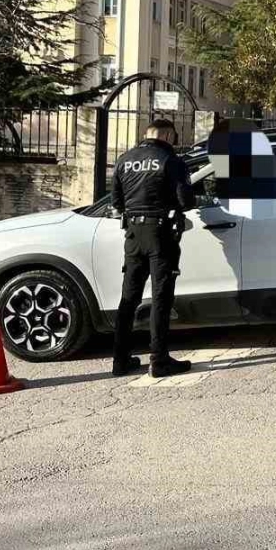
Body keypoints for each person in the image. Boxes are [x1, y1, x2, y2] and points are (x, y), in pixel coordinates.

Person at [110, 118, 196, 378]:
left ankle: (120, 360)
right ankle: (159, 361)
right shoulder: (171, 160)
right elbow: (186, 201)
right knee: (161, 298)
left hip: (133, 236)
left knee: (129, 298)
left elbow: (116, 202)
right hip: (160, 234)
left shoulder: (124, 160)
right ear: (168, 136)